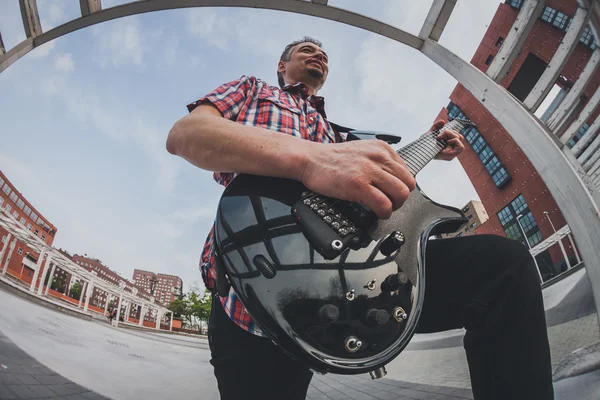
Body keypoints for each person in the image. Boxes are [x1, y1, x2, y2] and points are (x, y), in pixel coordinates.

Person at [166, 37, 553, 400]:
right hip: (255, 289)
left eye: (323, 54)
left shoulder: (339, 135)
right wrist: (309, 159)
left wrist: (432, 144)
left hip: (355, 277)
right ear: (282, 66)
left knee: (503, 269)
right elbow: (187, 134)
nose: (318, 55)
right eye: (306, 50)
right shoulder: (255, 90)